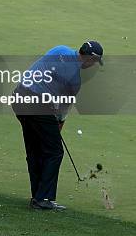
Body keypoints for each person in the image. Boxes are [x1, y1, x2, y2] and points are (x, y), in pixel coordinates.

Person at [12, 40, 104, 211]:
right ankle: (43, 198)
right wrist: (59, 124)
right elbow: (63, 109)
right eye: (94, 62)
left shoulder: (60, 49)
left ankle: (37, 197)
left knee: (35, 149)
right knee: (54, 152)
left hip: (19, 97)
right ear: (90, 59)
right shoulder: (74, 79)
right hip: (37, 105)